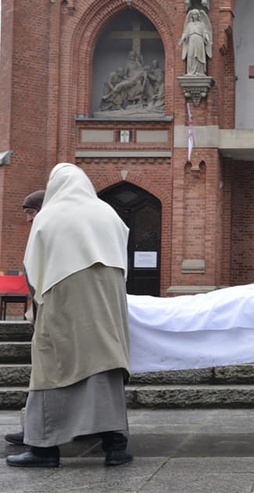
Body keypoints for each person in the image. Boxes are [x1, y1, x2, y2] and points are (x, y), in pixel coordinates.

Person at [6, 163, 133, 468]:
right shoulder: (108, 213)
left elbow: (33, 265)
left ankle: (45, 449)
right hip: (108, 303)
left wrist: (38, 304)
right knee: (104, 362)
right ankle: (116, 447)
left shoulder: (50, 214)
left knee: (53, 364)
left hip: (63, 299)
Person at [3, 189, 46, 447]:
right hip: (41, 316)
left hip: (54, 320)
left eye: (31, 212)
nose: (28, 220)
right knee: (39, 378)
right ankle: (33, 428)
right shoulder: (39, 234)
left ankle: (38, 433)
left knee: (45, 379)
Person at [180, 9, 213, 76]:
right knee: (190, 55)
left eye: (196, 14)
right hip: (191, 40)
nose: (194, 16)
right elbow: (186, 33)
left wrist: (207, 37)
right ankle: (191, 71)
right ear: (192, 16)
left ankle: (200, 71)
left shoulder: (202, 24)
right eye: (193, 15)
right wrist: (182, 39)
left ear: (198, 16)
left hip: (199, 40)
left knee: (199, 55)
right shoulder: (189, 25)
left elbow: (205, 32)